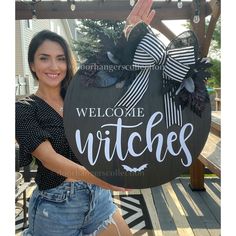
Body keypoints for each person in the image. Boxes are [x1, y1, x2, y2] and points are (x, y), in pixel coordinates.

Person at [15, 0, 155, 235]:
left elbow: (107, 67)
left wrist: (127, 32)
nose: (54, 66)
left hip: (97, 198)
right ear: (32, 63)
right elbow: (50, 160)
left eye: (60, 58)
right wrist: (100, 178)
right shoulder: (24, 109)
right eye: (44, 58)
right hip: (57, 208)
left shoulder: (77, 97)